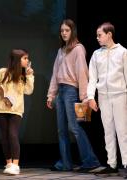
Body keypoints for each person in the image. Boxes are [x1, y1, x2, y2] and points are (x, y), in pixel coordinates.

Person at [47, 19, 100, 172]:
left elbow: (82, 73)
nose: (64, 33)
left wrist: (85, 96)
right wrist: (51, 95)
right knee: (61, 130)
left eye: (67, 30)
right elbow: (55, 74)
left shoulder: (78, 49)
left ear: (72, 31)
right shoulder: (60, 51)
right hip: (60, 93)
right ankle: (65, 163)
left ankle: (90, 160)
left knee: (74, 127)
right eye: (62, 30)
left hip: (71, 91)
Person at [87, 22, 127, 178]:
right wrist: (91, 97)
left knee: (122, 131)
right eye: (97, 35)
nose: (97, 38)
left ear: (109, 34)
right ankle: (112, 164)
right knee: (108, 131)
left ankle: (126, 163)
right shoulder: (97, 54)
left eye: (100, 35)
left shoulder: (123, 52)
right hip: (103, 96)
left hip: (120, 95)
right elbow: (92, 78)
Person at [0, 49, 34, 175]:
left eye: (27, 58)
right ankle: (8, 163)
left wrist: (30, 76)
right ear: (17, 60)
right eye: (25, 58)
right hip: (2, 107)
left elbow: (29, 91)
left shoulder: (24, 75)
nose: (27, 61)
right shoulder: (3, 72)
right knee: (5, 136)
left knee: (12, 134)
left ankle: (15, 164)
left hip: (16, 109)